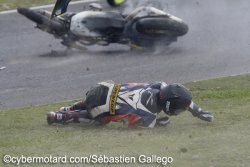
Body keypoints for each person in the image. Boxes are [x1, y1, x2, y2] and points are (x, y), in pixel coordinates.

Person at [47, 81, 214, 128]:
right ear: (170, 106)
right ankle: (61, 116)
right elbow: (130, 124)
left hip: (101, 87)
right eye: (179, 109)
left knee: (101, 100)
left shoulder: (157, 86)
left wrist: (197, 111)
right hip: (98, 107)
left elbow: (174, 94)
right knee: (98, 120)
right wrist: (159, 123)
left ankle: (69, 107)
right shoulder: (148, 117)